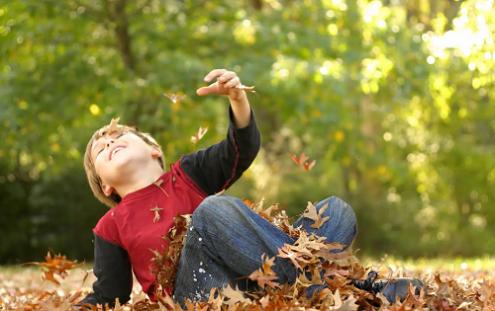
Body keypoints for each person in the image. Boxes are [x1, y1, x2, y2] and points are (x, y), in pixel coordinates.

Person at [76, 69, 422, 308]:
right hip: (202, 296)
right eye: (100, 149)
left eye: (118, 136)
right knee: (211, 210)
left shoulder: (187, 174)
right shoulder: (112, 225)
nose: (109, 142)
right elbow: (109, 295)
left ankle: (309, 291)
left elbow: (239, 149)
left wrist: (238, 100)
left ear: (153, 150)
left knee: (336, 210)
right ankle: (336, 290)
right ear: (105, 184)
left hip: (256, 278)